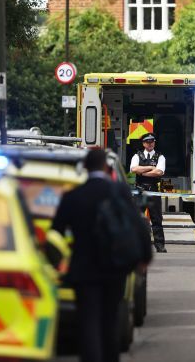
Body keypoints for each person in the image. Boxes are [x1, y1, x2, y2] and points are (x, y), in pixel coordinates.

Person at [52, 149, 152, 362]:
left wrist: (57, 261)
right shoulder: (119, 192)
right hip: (115, 268)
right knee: (110, 319)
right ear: (107, 169)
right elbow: (138, 224)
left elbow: (55, 232)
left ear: (85, 169)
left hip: (84, 269)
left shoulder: (72, 196)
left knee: (88, 322)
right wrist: (144, 256)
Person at [130, 133, 167, 253]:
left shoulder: (160, 156)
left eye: (152, 141)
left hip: (153, 191)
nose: (150, 144)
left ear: (154, 143)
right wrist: (151, 168)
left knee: (156, 219)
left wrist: (142, 172)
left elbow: (159, 172)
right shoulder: (137, 155)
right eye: (147, 142)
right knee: (137, 219)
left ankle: (160, 245)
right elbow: (133, 169)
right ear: (143, 143)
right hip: (140, 191)